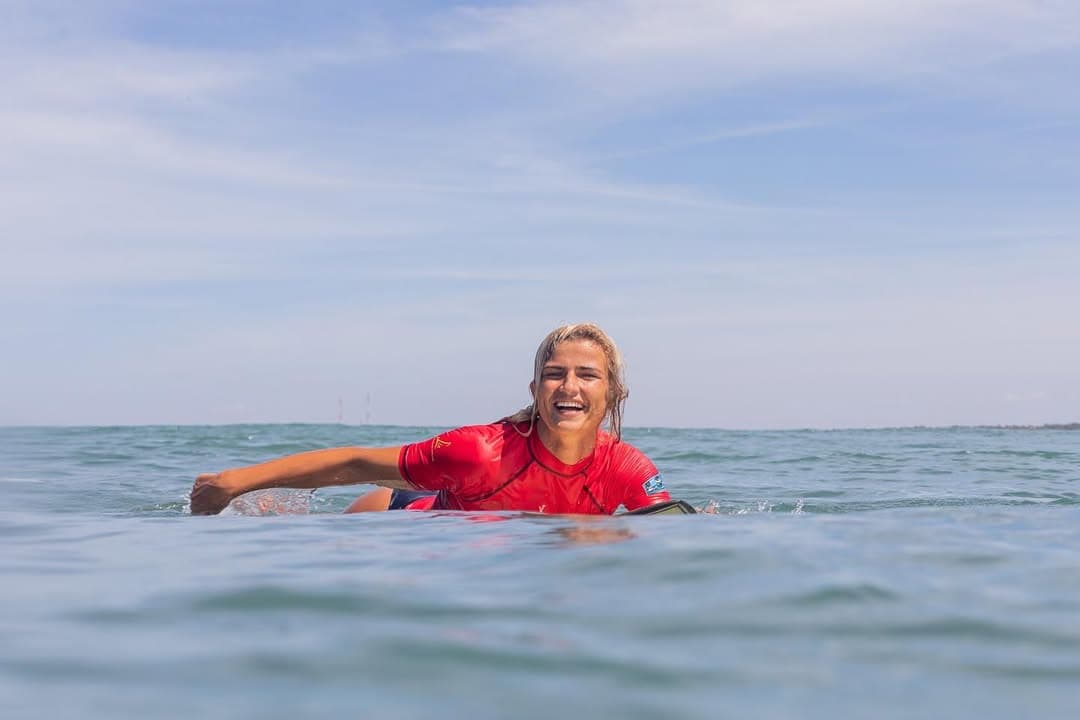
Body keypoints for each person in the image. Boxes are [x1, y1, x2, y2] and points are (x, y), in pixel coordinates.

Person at [189, 323, 671, 516]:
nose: (569, 387)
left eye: (588, 375)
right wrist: (235, 482)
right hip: (400, 515)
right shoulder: (481, 450)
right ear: (534, 390)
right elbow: (357, 463)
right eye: (554, 374)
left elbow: (666, 533)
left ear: (612, 394)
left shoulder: (629, 470)